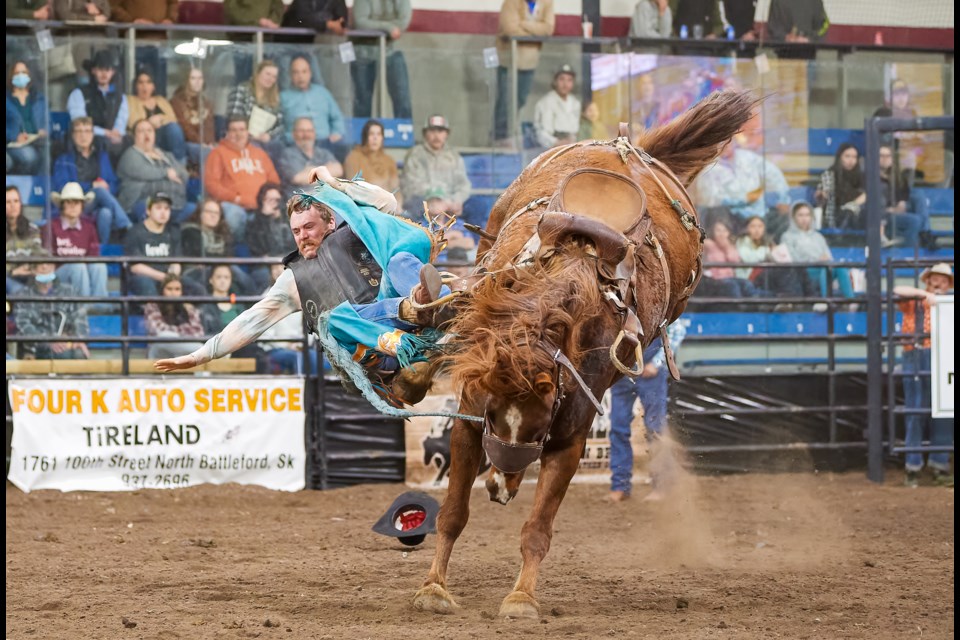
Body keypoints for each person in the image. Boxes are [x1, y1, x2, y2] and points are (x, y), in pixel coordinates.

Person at [155, 165, 452, 405]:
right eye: (296, 230)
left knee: (400, 261)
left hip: (401, 318)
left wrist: (333, 182)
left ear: (331, 223)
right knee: (333, 320)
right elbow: (251, 320)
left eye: (309, 227)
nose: (302, 236)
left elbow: (387, 202)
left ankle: (439, 307)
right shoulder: (294, 280)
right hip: (373, 351)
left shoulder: (358, 231)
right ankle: (416, 321)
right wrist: (202, 355)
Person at [607, 321, 687, 502]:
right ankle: (620, 486)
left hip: (647, 372)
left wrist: (657, 363)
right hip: (623, 372)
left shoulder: (654, 297)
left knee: (655, 428)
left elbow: (678, 329)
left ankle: (660, 486)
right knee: (618, 427)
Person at [893, 263, 954, 488]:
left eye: (943, 280)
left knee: (945, 412)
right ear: (927, 281)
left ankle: (939, 465)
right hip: (916, 353)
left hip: (946, 356)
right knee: (915, 410)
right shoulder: (914, 301)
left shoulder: (950, 304)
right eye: (934, 279)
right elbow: (897, 290)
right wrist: (925, 295)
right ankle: (913, 466)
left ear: (948, 285)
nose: (937, 283)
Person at [52, 117, 133, 244]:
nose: (83, 136)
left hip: (98, 205)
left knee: (105, 213)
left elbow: (114, 183)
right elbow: (61, 187)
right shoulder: (64, 160)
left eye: (87, 131)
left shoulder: (102, 156)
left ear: (92, 135)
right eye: (78, 131)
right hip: (75, 204)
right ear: (72, 135)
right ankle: (127, 226)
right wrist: (91, 185)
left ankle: (101, 252)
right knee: (99, 191)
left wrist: (107, 188)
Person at [203, 115, 282, 240]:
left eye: (242, 129)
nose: (238, 134)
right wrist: (237, 198)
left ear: (247, 132)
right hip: (234, 206)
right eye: (234, 130)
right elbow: (212, 185)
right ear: (227, 133)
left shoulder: (260, 154)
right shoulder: (217, 153)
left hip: (261, 207)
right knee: (233, 214)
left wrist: (268, 201)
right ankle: (236, 254)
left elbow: (274, 182)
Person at [692, 139, 790, 231]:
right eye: (722, 143)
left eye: (729, 142)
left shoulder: (749, 158)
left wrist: (782, 199)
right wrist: (743, 199)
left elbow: (774, 176)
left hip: (759, 212)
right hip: (730, 215)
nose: (726, 146)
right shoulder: (710, 167)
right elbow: (708, 199)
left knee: (783, 216)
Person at [493, 0, 556, 144]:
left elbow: (548, 29)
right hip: (508, 61)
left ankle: (511, 135)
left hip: (530, 62)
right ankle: (500, 139)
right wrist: (535, 32)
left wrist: (523, 24)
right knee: (504, 102)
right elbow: (510, 29)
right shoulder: (510, 3)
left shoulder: (547, 3)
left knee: (520, 100)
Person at [14, 249, 90, 361]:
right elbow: (24, 326)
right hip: (37, 347)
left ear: (54, 267)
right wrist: (49, 340)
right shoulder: (22, 296)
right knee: (63, 356)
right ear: (33, 270)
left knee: (79, 354)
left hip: (65, 343)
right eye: (40, 265)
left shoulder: (70, 292)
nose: (45, 267)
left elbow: (80, 318)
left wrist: (78, 339)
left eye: (48, 264)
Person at [117, 118, 194, 223]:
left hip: (175, 204)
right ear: (134, 137)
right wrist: (167, 173)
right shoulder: (130, 155)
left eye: (149, 130)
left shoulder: (166, 155)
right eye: (141, 131)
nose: (146, 134)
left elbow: (183, 173)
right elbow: (144, 172)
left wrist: (174, 173)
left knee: (194, 209)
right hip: (145, 203)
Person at [780, 200, 855, 306]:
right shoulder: (787, 236)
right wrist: (816, 261)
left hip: (823, 267)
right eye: (800, 215)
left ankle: (851, 301)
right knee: (824, 268)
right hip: (804, 271)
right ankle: (826, 302)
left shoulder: (818, 236)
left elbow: (828, 256)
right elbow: (792, 259)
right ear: (793, 217)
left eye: (807, 215)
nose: (804, 219)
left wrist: (824, 260)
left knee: (840, 267)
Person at [350, 0, 413, 120]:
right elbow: (361, 22)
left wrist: (374, 24)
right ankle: (360, 137)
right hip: (362, 52)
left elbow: (404, 22)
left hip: (392, 51)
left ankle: (404, 136)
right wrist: (389, 27)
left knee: (402, 98)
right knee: (362, 101)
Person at [46, 182, 108, 300]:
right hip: (58, 275)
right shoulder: (51, 226)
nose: (73, 206)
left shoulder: (89, 227)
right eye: (69, 202)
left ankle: (101, 307)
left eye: (77, 202)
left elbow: (94, 254)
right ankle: (82, 307)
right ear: (62, 205)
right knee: (77, 265)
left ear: (82, 205)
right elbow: (47, 259)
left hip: (82, 270)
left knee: (99, 266)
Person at [400, 115, 471, 217]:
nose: (436, 135)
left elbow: (464, 185)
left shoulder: (454, 156)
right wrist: (434, 200)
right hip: (421, 207)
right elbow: (411, 185)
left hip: (449, 208)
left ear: (447, 134)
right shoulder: (415, 154)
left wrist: (450, 202)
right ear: (425, 134)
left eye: (440, 131)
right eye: (432, 131)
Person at [180, 199, 256, 295]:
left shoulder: (223, 233)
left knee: (239, 279)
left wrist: (218, 259)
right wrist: (219, 259)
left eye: (217, 213)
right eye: (209, 212)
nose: (213, 216)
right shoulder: (190, 230)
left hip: (219, 270)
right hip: (195, 272)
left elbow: (228, 255)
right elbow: (200, 255)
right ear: (200, 213)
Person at [280, 56, 349, 161]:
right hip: (295, 144)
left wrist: (337, 132)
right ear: (290, 75)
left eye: (304, 72)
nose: (300, 76)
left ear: (310, 73)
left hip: (324, 142)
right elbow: (278, 125)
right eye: (296, 72)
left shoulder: (322, 93)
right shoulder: (283, 97)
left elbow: (337, 117)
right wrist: (290, 137)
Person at [67, 50, 128, 164]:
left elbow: (122, 121)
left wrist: (117, 132)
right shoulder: (79, 94)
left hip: (114, 139)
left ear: (113, 72)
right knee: (101, 143)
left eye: (107, 70)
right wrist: (105, 133)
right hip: (91, 137)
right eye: (100, 69)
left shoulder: (120, 96)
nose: (104, 74)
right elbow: (79, 122)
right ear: (93, 71)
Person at [735, 215, 817, 299]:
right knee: (782, 269)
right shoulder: (742, 241)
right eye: (753, 226)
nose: (757, 230)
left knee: (799, 267)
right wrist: (769, 251)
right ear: (747, 228)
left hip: (768, 273)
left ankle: (813, 299)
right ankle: (789, 299)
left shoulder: (767, 242)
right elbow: (749, 259)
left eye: (760, 226)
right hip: (751, 277)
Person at [123, 191, 183, 296]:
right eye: (158, 208)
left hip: (168, 278)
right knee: (145, 283)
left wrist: (172, 277)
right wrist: (163, 277)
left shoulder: (173, 232)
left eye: (166, 208)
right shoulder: (135, 232)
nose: (163, 213)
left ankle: (195, 311)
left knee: (194, 287)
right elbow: (136, 267)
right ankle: (153, 311)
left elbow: (176, 262)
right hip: (145, 278)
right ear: (148, 211)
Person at [225, 60, 286, 156]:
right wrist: (248, 134)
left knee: (279, 146)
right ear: (258, 73)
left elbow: (280, 125)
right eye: (267, 74)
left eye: (274, 76)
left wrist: (268, 136)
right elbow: (234, 118)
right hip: (243, 138)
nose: (270, 79)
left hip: (266, 141)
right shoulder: (242, 90)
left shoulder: (275, 98)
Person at [127, 69, 186, 163]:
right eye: (141, 82)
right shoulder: (130, 101)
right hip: (146, 138)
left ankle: (180, 165)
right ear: (136, 86)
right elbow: (132, 122)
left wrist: (160, 119)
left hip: (165, 137)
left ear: (153, 86)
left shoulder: (161, 100)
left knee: (174, 129)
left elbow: (173, 120)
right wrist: (150, 123)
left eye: (148, 82)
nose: (144, 86)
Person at [246, 183, 297, 291]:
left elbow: (294, 245)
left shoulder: (290, 219)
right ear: (262, 201)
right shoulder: (255, 222)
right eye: (269, 200)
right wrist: (265, 218)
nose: (274, 204)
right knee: (263, 276)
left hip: (289, 262)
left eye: (277, 200)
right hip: (266, 266)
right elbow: (258, 249)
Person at [143, 273, 206, 360]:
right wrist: (183, 333)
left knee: (199, 358)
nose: (173, 293)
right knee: (165, 336)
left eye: (177, 289)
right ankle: (203, 351)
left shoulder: (188, 308)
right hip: (159, 352)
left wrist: (178, 337)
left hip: (185, 353)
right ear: (162, 290)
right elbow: (158, 331)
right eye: (169, 289)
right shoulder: (152, 306)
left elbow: (198, 333)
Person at [224, 0, 285, 83]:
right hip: (242, 40)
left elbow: (278, 7)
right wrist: (258, 23)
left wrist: (271, 22)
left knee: (268, 78)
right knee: (243, 79)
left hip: (266, 40)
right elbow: (232, 9)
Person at [169, 66, 216, 169]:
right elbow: (184, 127)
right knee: (207, 153)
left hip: (204, 144)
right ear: (186, 80)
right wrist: (201, 143)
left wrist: (208, 143)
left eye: (200, 78)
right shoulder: (176, 102)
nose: (197, 82)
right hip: (186, 144)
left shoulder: (207, 103)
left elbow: (209, 126)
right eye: (193, 78)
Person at [6, 60, 47, 175]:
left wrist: (44, 130)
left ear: (29, 75)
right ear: (11, 76)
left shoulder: (39, 99)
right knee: (28, 156)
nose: (20, 75)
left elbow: (48, 121)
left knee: (47, 155)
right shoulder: (7, 99)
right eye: (17, 73)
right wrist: (15, 136)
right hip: (14, 144)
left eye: (24, 72)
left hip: (37, 141)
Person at [278, 117, 344, 189]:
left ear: (314, 133)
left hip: (326, 197)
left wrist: (309, 170)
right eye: (301, 131)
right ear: (294, 134)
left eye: (309, 131)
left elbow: (339, 170)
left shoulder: (323, 153)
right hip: (302, 198)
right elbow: (297, 178)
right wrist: (326, 171)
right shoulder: (288, 154)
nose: (306, 135)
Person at [878, 144, 923, 249]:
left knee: (919, 195)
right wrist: (890, 210)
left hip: (898, 209)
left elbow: (904, 191)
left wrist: (902, 201)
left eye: (888, 156)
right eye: (881, 156)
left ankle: (926, 232)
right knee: (915, 221)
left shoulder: (896, 175)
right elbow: (876, 203)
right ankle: (908, 252)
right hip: (884, 215)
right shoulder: (870, 177)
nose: (884, 159)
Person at [344, 119, 401, 199]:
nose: (375, 138)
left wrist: (398, 204)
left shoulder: (389, 160)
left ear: (382, 138)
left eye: (379, 134)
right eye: (371, 134)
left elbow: (396, 189)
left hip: (389, 206)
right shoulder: (353, 158)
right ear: (365, 137)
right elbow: (353, 190)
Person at [815, 143, 866, 231]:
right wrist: (822, 196)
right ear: (840, 157)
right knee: (847, 213)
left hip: (857, 215)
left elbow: (867, 195)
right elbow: (826, 199)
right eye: (847, 156)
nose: (851, 160)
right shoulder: (830, 174)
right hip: (836, 216)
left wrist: (853, 205)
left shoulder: (861, 176)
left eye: (854, 157)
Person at [533, 64, 582, 149]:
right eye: (561, 79)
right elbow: (542, 133)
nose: (565, 84)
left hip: (571, 147)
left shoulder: (575, 103)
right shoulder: (546, 102)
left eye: (569, 80)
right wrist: (556, 142)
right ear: (555, 81)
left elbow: (575, 131)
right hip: (550, 148)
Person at [6, 185, 42, 295]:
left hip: (29, 274)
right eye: (8, 202)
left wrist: (26, 268)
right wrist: (13, 271)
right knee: (19, 290)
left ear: (21, 204)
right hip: (8, 277)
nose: (13, 205)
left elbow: (38, 254)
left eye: (16, 201)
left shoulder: (33, 229)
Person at [282, 0, 347, 43]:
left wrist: (341, 22)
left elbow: (341, 18)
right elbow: (301, 19)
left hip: (313, 45)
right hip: (289, 43)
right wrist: (328, 24)